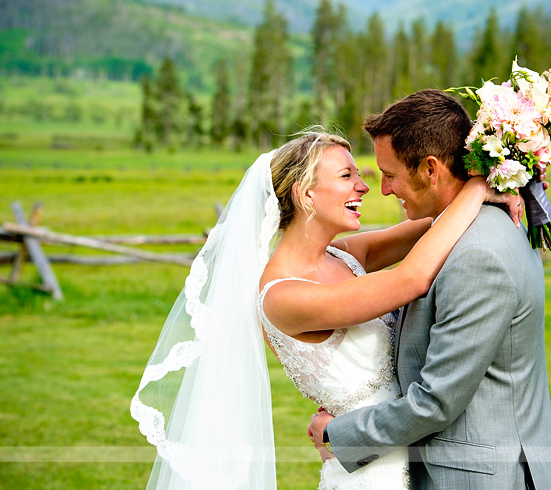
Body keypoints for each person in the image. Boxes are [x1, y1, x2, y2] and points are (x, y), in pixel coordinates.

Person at [131, 130, 524, 490]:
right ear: (306, 194)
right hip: (372, 471)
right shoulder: (282, 296)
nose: (364, 186)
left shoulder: (346, 256)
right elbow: (411, 280)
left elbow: (435, 225)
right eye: (346, 176)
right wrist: (477, 188)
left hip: (397, 446)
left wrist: (497, 176)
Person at [308, 90, 551, 490]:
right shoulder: (465, 228)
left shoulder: (478, 255)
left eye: (389, 175)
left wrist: (338, 433)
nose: (385, 190)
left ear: (430, 168)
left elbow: (437, 401)